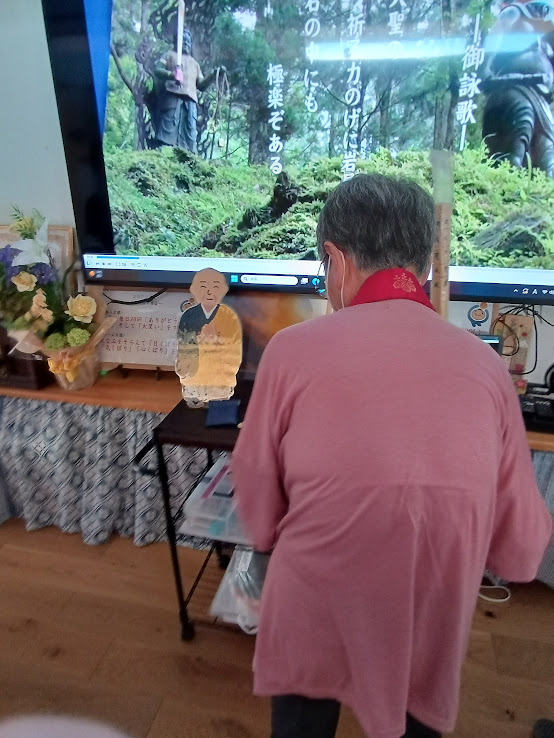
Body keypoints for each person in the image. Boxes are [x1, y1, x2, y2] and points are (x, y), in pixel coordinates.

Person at [231, 174, 553, 738]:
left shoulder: (291, 350)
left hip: (315, 606)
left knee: (303, 708)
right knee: (416, 711)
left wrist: (265, 542)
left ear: (335, 260)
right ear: (424, 265)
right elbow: (522, 552)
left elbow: (257, 495)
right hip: (430, 613)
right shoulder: (486, 366)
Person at [481, 0, 554, 176]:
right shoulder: (514, 13)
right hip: (514, 87)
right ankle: (508, 180)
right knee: (521, 130)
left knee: (547, 152)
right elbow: (495, 39)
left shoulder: (547, 33)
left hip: (542, 99)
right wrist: (485, 69)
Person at [175, 268, 242, 405]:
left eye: (215, 287)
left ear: (222, 290)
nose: (209, 292)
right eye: (203, 287)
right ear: (195, 290)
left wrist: (216, 342)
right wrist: (199, 342)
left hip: (221, 384)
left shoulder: (229, 316)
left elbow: (235, 353)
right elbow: (183, 351)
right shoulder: (188, 316)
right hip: (193, 382)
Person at [152, 28, 219, 152]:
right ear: (176, 41)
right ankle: (164, 151)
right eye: (183, 40)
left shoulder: (194, 64)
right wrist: (171, 75)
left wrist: (213, 75)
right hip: (172, 96)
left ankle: (187, 155)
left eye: (188, 41)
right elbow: (157, 70)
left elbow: (201, 85)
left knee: (190, 132)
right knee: (169, 126)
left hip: (190, 102)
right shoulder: (169, 55)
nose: (186, 43)